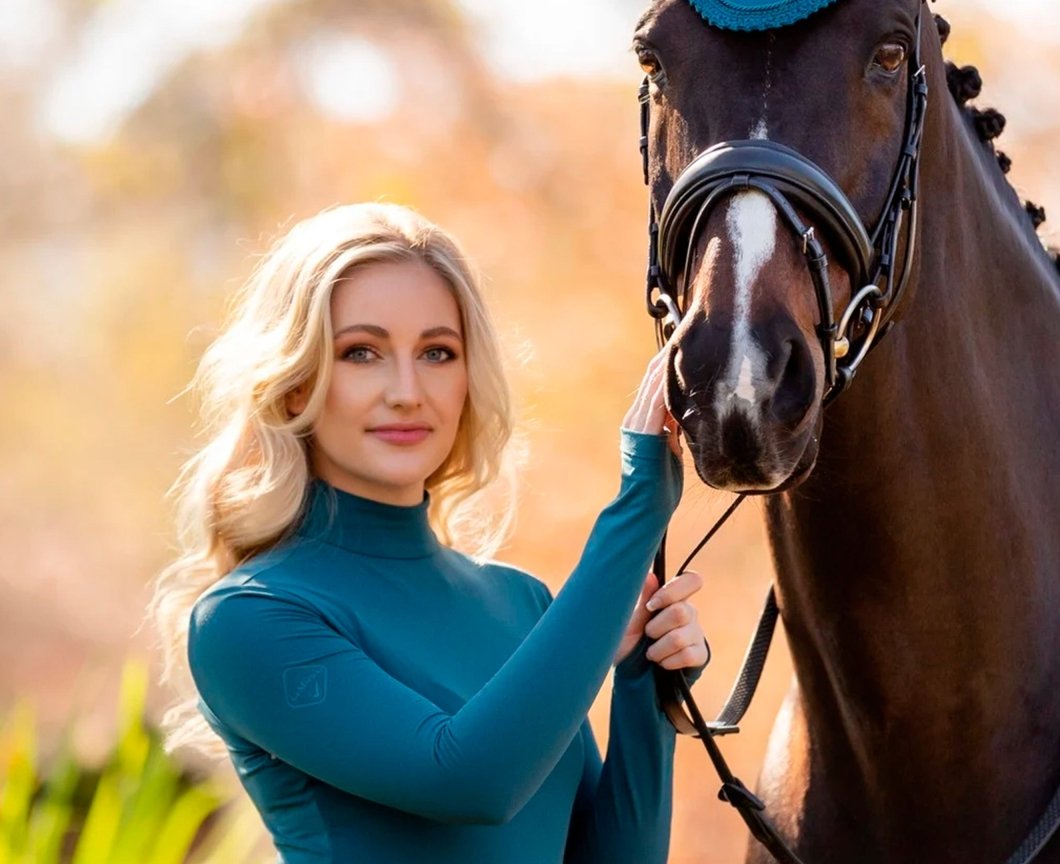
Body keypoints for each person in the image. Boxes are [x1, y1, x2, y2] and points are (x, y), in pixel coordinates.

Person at [149, 201, 706, 864]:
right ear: (296, 385)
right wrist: (638, 505)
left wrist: (647, 688)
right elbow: (467, 779)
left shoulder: (524, 603)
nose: (407, 391)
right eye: (362, 353)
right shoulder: (250, 618)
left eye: (438, 352)